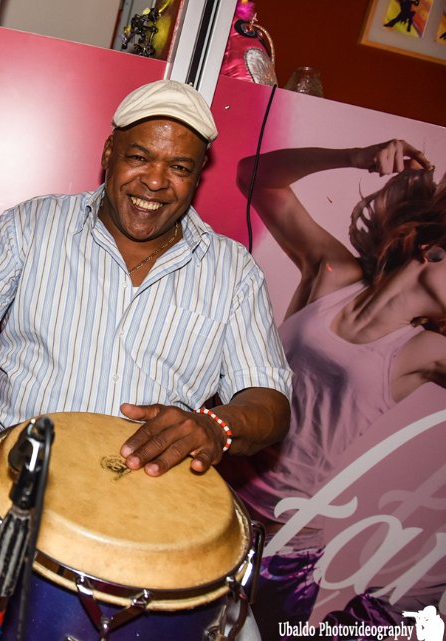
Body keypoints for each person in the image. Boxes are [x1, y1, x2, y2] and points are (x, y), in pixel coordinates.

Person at [0, 78, 292, 633]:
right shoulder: (32, 226)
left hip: (150, 489)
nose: (155, 181)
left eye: (179, 167)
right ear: (108, 153)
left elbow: (269, 402)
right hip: (6, 466)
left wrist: (218, 425)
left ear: (197, 177)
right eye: (139, 157)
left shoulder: (233, 272)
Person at [230, 140, 446, 639]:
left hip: (283, 541)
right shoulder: (334, 274)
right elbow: (254, 175)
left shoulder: (425, 350)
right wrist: (354, 157)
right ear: (433, 249)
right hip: (213, 493)